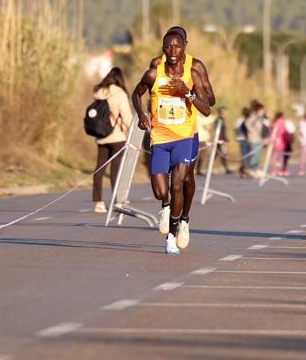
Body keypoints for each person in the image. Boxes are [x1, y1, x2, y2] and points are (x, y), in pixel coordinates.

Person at [131, 26, 215, 254]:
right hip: (160, 137)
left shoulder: (194, 68)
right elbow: (138, 93)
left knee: (181, 182)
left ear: (185, 45)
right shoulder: (154, 69)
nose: (172, 50)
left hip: (186, 136)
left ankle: (179, 226)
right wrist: (143, 115)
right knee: (161, 190)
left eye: (177, 45)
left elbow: (209, 104)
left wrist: (188, 93)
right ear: (163, 48)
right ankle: (166, 207)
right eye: (168, 46)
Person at [91, 67, 133, 213]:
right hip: (117, 136)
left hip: (101, 136)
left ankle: (98, 202)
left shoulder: (98, 92)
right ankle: (117, 201)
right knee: (116, 170)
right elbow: (127, 117)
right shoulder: (120, 94)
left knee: (99, 169)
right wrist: (128, 128)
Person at [269, 110, 290, 176]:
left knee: (275, 156)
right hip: (281, 141)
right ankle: (280, 170)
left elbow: (271, 132)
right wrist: (288, 139)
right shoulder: (281, 123)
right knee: (281, 157)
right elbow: (283, 132)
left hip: (274, 141)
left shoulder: (273, 123)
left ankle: (274, 170)